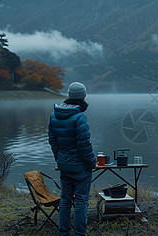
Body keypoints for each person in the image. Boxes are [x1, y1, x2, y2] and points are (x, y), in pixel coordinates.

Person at [48, 82, 97, 236]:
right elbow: (84, 146)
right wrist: (92, 163)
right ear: (83, 96)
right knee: (81, 201)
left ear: (69, 95)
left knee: (65, 199)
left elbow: (52, 141)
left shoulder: (54, 115)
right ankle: (80, 234)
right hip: (80, 168)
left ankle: (64, 233)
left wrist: (60, 159)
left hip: (64, 165)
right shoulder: (79, 117)